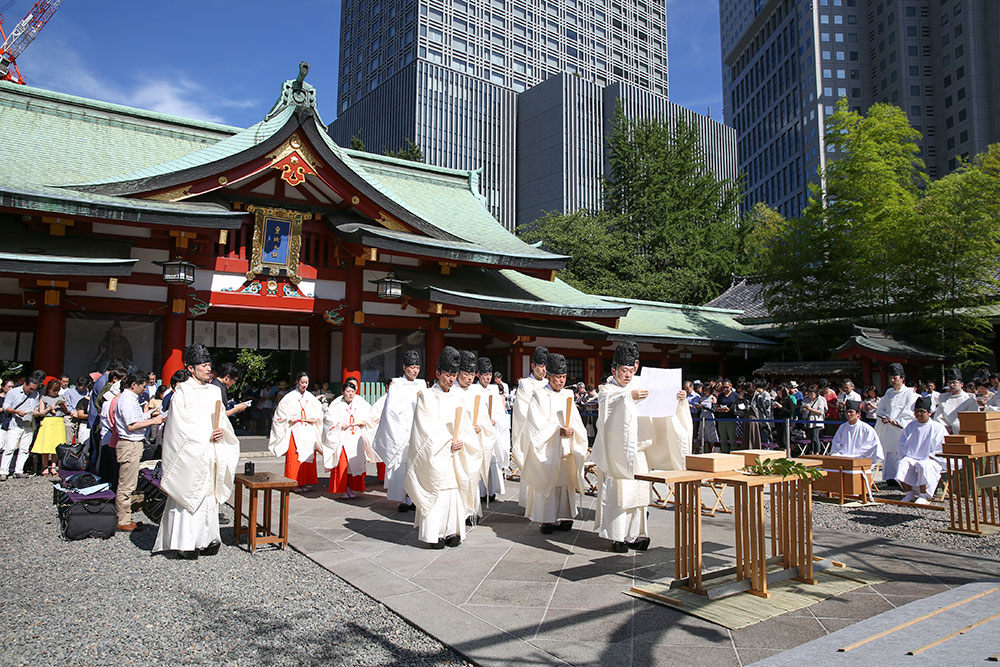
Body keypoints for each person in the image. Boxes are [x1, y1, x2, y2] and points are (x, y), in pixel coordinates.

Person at [590, 343, 691, 553]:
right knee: (620, 496)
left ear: (636, 367)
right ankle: (617, 537)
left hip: (640, 451)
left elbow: (660, 406)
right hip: (617, 453)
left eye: (630, 370)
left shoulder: (641, 385)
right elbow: (610, 412)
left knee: (639, 497)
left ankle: (634, 535)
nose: (627, 375)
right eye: (623, 371)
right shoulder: (608, 390)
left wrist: (678, 400)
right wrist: (629, 397)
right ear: (614, 370)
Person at [153, 344, 240, 558]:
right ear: (191, 368)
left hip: (209, 452)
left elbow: (219, 419)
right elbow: (178, 428)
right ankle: (186, 543)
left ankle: (208, 538)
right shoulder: (182, 392)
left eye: (209, 365)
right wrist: (204, 436)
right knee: (189, 496)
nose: (208, 369)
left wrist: (220, 431)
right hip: (190, 454)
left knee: (208, 495)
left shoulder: (213, 391)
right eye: (203, 365)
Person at [405, 346, 481, 549]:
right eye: (447, 374)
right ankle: (434, 534)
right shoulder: (426, 397)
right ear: (438, 373)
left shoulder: (458, 397)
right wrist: (447, 442)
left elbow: (464, 426)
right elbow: (423, 430)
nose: (451, 379)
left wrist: (464, 440)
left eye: (454, 375)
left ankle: (452, 531)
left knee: (454, 492)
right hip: (436, 455)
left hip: (456, 455)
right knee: (436, 492)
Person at [522, 353, 588, 534]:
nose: (561, 381)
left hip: (567, 446)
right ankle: (547, 520)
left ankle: (565, 516)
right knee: (549, 480)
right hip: (549, 447)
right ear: (549, 377)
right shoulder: (539, 396)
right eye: (557, 377)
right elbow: (536, 425)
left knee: (566, 481)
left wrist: (572, 430)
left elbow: (576, 420)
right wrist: (556, 429)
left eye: (563, 377)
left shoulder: (568, 394)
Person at [372, 349, 423, 512]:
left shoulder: (421, 384)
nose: (415, 370)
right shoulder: (396, 385)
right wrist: (399, 430)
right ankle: (403, 499)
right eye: (412, 367)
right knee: (401, 466)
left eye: (417, 367)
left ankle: (415, 497)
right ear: (404, 367)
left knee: (416, 466)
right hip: (401, 431)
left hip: (417, 430)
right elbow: (391, 411)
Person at [113, 371, 165, 531]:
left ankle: (125, 516)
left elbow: (136, 419)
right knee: (126, 484)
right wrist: (153, 421)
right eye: (143, 386)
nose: (145, 389)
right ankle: (122, 520)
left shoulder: (130, 400)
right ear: (134, 385)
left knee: (130, 482)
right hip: (129, 444)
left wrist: (148, 415)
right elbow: (131, 425)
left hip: (133, 444)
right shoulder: (127, 401)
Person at [268, 372, 324, 492]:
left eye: (306, 383)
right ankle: (294, 482)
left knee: (308, 457)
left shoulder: (310, 397)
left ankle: (305, 481)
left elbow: (319, 413)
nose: (304, 385)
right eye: (302, 382)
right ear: (297, 382)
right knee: (295, 457)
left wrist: (315, 418)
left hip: (308, 430)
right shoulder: (289, 397)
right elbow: (279, 415)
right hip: (294, 430)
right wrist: (288, 419)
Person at [455, 350, 490, 521]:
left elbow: (484, 418)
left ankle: (471, 511)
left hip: (473, 444)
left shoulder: (476, 392)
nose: (469, 378)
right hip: (458, 443)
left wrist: (480, 427)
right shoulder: (451, 392)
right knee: (458, 477)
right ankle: (458, 512)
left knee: (472, 477)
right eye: (466, 374)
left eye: (471, 374)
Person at [323, 377, 372, 498]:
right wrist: (339, 425)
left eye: (352, 392)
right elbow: (328, 420)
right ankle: (343, 489)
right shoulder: (336, 404)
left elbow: (370, 416)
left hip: (356, 438)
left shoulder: (360, 403)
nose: (350, 394)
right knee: (343, 464)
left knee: (355, 464)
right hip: (342, 437)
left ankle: (352, 488)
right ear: (343, 392)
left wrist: (364, 422)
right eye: (348, 391)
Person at [511, 347, 549, 505]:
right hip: (531, 432)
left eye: (546, 366)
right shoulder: (525, 384)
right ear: (533, 366)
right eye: (541, 366)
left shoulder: (549, 383)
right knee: (531, 465)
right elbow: (521, 410)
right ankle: (529, 502)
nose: (544, 370)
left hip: (547, 431)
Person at [896, 396, 947, 504]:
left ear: (929, 412)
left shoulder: (938, 427)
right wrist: (906, 455)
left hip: (932, 459)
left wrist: (930, 456)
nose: (918, 414)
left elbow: (942, 447)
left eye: (922, 411)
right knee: (902, 464)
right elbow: (902, 443)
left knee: (923, 465)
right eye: (916, 411)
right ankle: (909, 493)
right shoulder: (911, 426)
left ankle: (923, 495)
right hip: (913, 457)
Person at [875, 363, 917, 484]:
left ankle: (903, 479)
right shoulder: (888, 392)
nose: (893, 380)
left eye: (895, 378)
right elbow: (881, 408)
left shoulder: (909, 393)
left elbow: (909, 410)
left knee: (901, 452)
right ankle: (890, 477)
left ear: (902, 379)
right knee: (890, 453)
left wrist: (898, 421)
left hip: (900, 428)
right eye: (891, 378)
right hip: (888, 427)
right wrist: (883, 416)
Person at [830, 399, 884, 492]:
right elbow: (836, 443)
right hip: (844, 457)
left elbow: (872, 446)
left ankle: (856, 489)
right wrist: (839, 454)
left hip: (860, 458)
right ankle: (835, 489)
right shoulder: (842, 427)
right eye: (847, 412)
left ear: (858, 414)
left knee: (854, 465)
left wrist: (856, 456)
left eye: (851, 412)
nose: (849, 414)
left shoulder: (866, 428)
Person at [1, 370, 45, 480]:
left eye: (34, 389)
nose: (31, 391)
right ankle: (3, 471)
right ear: (24, 384)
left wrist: (35, 412)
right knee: (10, 448)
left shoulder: (35, 394)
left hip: (29, 423)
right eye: (30, 388)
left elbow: (34, 406)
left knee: (25, 449)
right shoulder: (13, 392)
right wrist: (17, 412)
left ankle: (19, 470)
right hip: (15, 423)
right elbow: (6, 407)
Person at [476, 356, 509, 503]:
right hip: (479, 432)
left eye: (490, 375)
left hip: (493, 430)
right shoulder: (473, 390)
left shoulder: (495, 390)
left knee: (492, 461)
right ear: (479, 375)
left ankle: (491, 490)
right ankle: (480, 491)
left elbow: (500, 412)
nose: (488, 378)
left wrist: (496, 420)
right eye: (485, 375)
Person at [32, 379, 70, 476]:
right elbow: (41, 413)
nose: (55, 392)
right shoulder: (44, 398)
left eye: (57, 390)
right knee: (46, 445)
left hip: (59, 421)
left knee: (56, 446)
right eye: (54, 390)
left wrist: (63, 406)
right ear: (49, 390)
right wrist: (49, 408)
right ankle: (45, 466)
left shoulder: (61, 397)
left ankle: (53, 466)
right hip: (48, 421)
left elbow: (66, 412)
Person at [933, 367, 979, 433]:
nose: (952, 385)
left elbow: (972, 418)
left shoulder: (969, 399)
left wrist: (955, 427)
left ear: (961, 384)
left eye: (954, 382)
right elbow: (938, 418)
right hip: (946, 432)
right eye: (950, 383)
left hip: (964, 432)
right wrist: (946, 428)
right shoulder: (943, 398)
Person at [800, 385, 826, 455]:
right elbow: (801, 411)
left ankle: (817, 452)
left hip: (816, 422)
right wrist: (803, 409)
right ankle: (811, 452)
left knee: (815, 437)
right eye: (809, 393)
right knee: (810, 438)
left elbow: (821, 412)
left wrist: (810, 409)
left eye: (812, 393)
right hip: (808, 421)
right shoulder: (806, 400)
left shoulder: (820, 400)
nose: (810, 395)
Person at [62, 376, 89, 444]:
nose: (82, 388)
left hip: (82, 417)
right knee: (68, 429)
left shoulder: (87, 393)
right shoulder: (69, 392)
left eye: (84, 386)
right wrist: (72, 412)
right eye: (80, 386)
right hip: (71, 415)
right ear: (77, 384)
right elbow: (67, 404)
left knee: (79, 439)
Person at [714, 379, 738, 453]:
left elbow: (738, 407)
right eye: (723, 387)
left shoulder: (735, 395)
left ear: (731, 386)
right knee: (723, 437)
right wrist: (719, 409)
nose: (725, 389)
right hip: (721, 418)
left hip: (731, 418)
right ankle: (724, 451)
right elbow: (717, 405)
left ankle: (733, 452)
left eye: (727, 387)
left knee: (732, 437)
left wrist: (730, 409)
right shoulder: (721, 395)